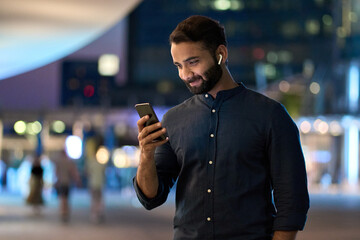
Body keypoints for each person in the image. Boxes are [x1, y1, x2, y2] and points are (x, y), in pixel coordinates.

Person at [133, 15, 309, 240]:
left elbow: (292, 199)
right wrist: (146, 154)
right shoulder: (173, 120)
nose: (185, 75)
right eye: (178, 65)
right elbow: (151, 198)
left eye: (193, 62)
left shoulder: (271, 116)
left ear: (221, 54)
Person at [54, 149, 81, 222]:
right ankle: (65, 212)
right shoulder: (69, 162)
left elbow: (56, 172)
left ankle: (63, 212)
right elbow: (73, 171)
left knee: (62, 198)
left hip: (61, 182)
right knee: (66, 198)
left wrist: (56, 181)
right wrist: (77, 180)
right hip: (67, 182)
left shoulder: (59, 162)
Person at [85, 137, 106, 223]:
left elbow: (87, 173)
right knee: (99, 199)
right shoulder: (101, 163)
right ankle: (99, 213)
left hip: (93, 183)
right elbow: (104, 172)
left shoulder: (90, 163)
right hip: (100, 183)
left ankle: (94, 215)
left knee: (93, 199)